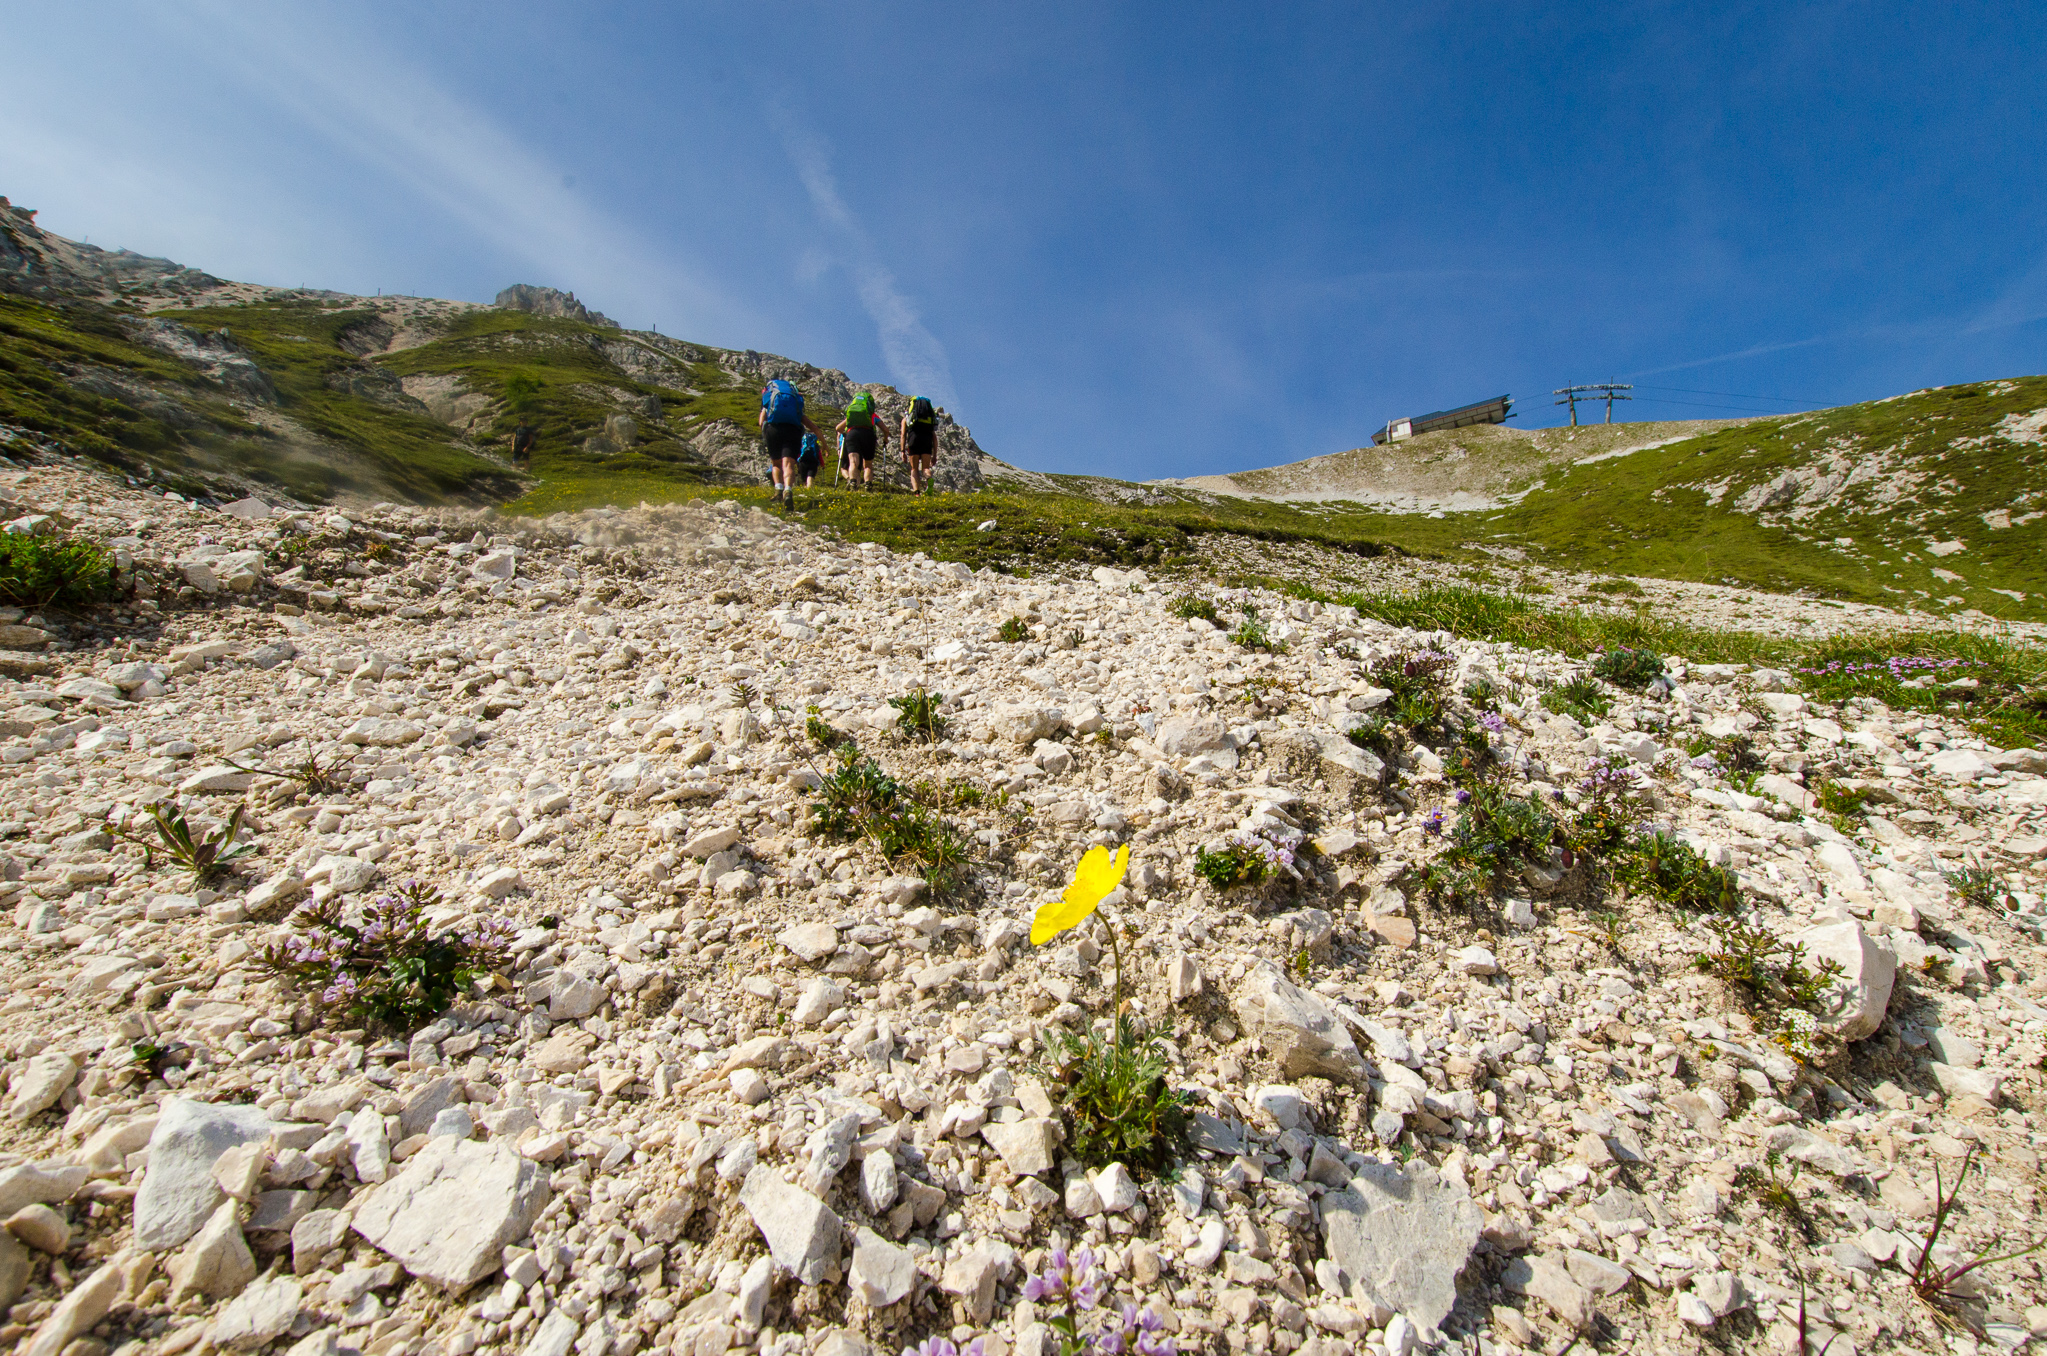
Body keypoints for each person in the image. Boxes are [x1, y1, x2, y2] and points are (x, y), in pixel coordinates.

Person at [758, 377, 819, 508]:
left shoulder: (769, 395)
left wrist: (765, 432)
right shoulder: (794, 396)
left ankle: (778, 490)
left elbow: (761, 420)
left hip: (774, 430)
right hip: (793, 430)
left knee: (776, 464)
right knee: (789, 464)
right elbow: (805, 419)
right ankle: (788, 491)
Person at [835, 390, 889, 490]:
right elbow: (885, 430)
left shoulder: (852, 416)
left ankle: (852, 482)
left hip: (852, 434)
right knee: (868, 464)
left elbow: (838, 428)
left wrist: (845, 434)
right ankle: (868, 484)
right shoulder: (872, 415)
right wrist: (885, 439)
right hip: (868, 435)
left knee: (853, 462)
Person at [900, 394, 939, 494]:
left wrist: (902, 451)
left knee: (914, 469)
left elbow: (903, 435)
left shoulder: (907, 419)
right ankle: (929, 478)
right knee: (925, 468)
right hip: (927, 441)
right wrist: (935, 455)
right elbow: (934, 438)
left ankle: (917, 492)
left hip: (914, 440)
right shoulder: (928, 421)